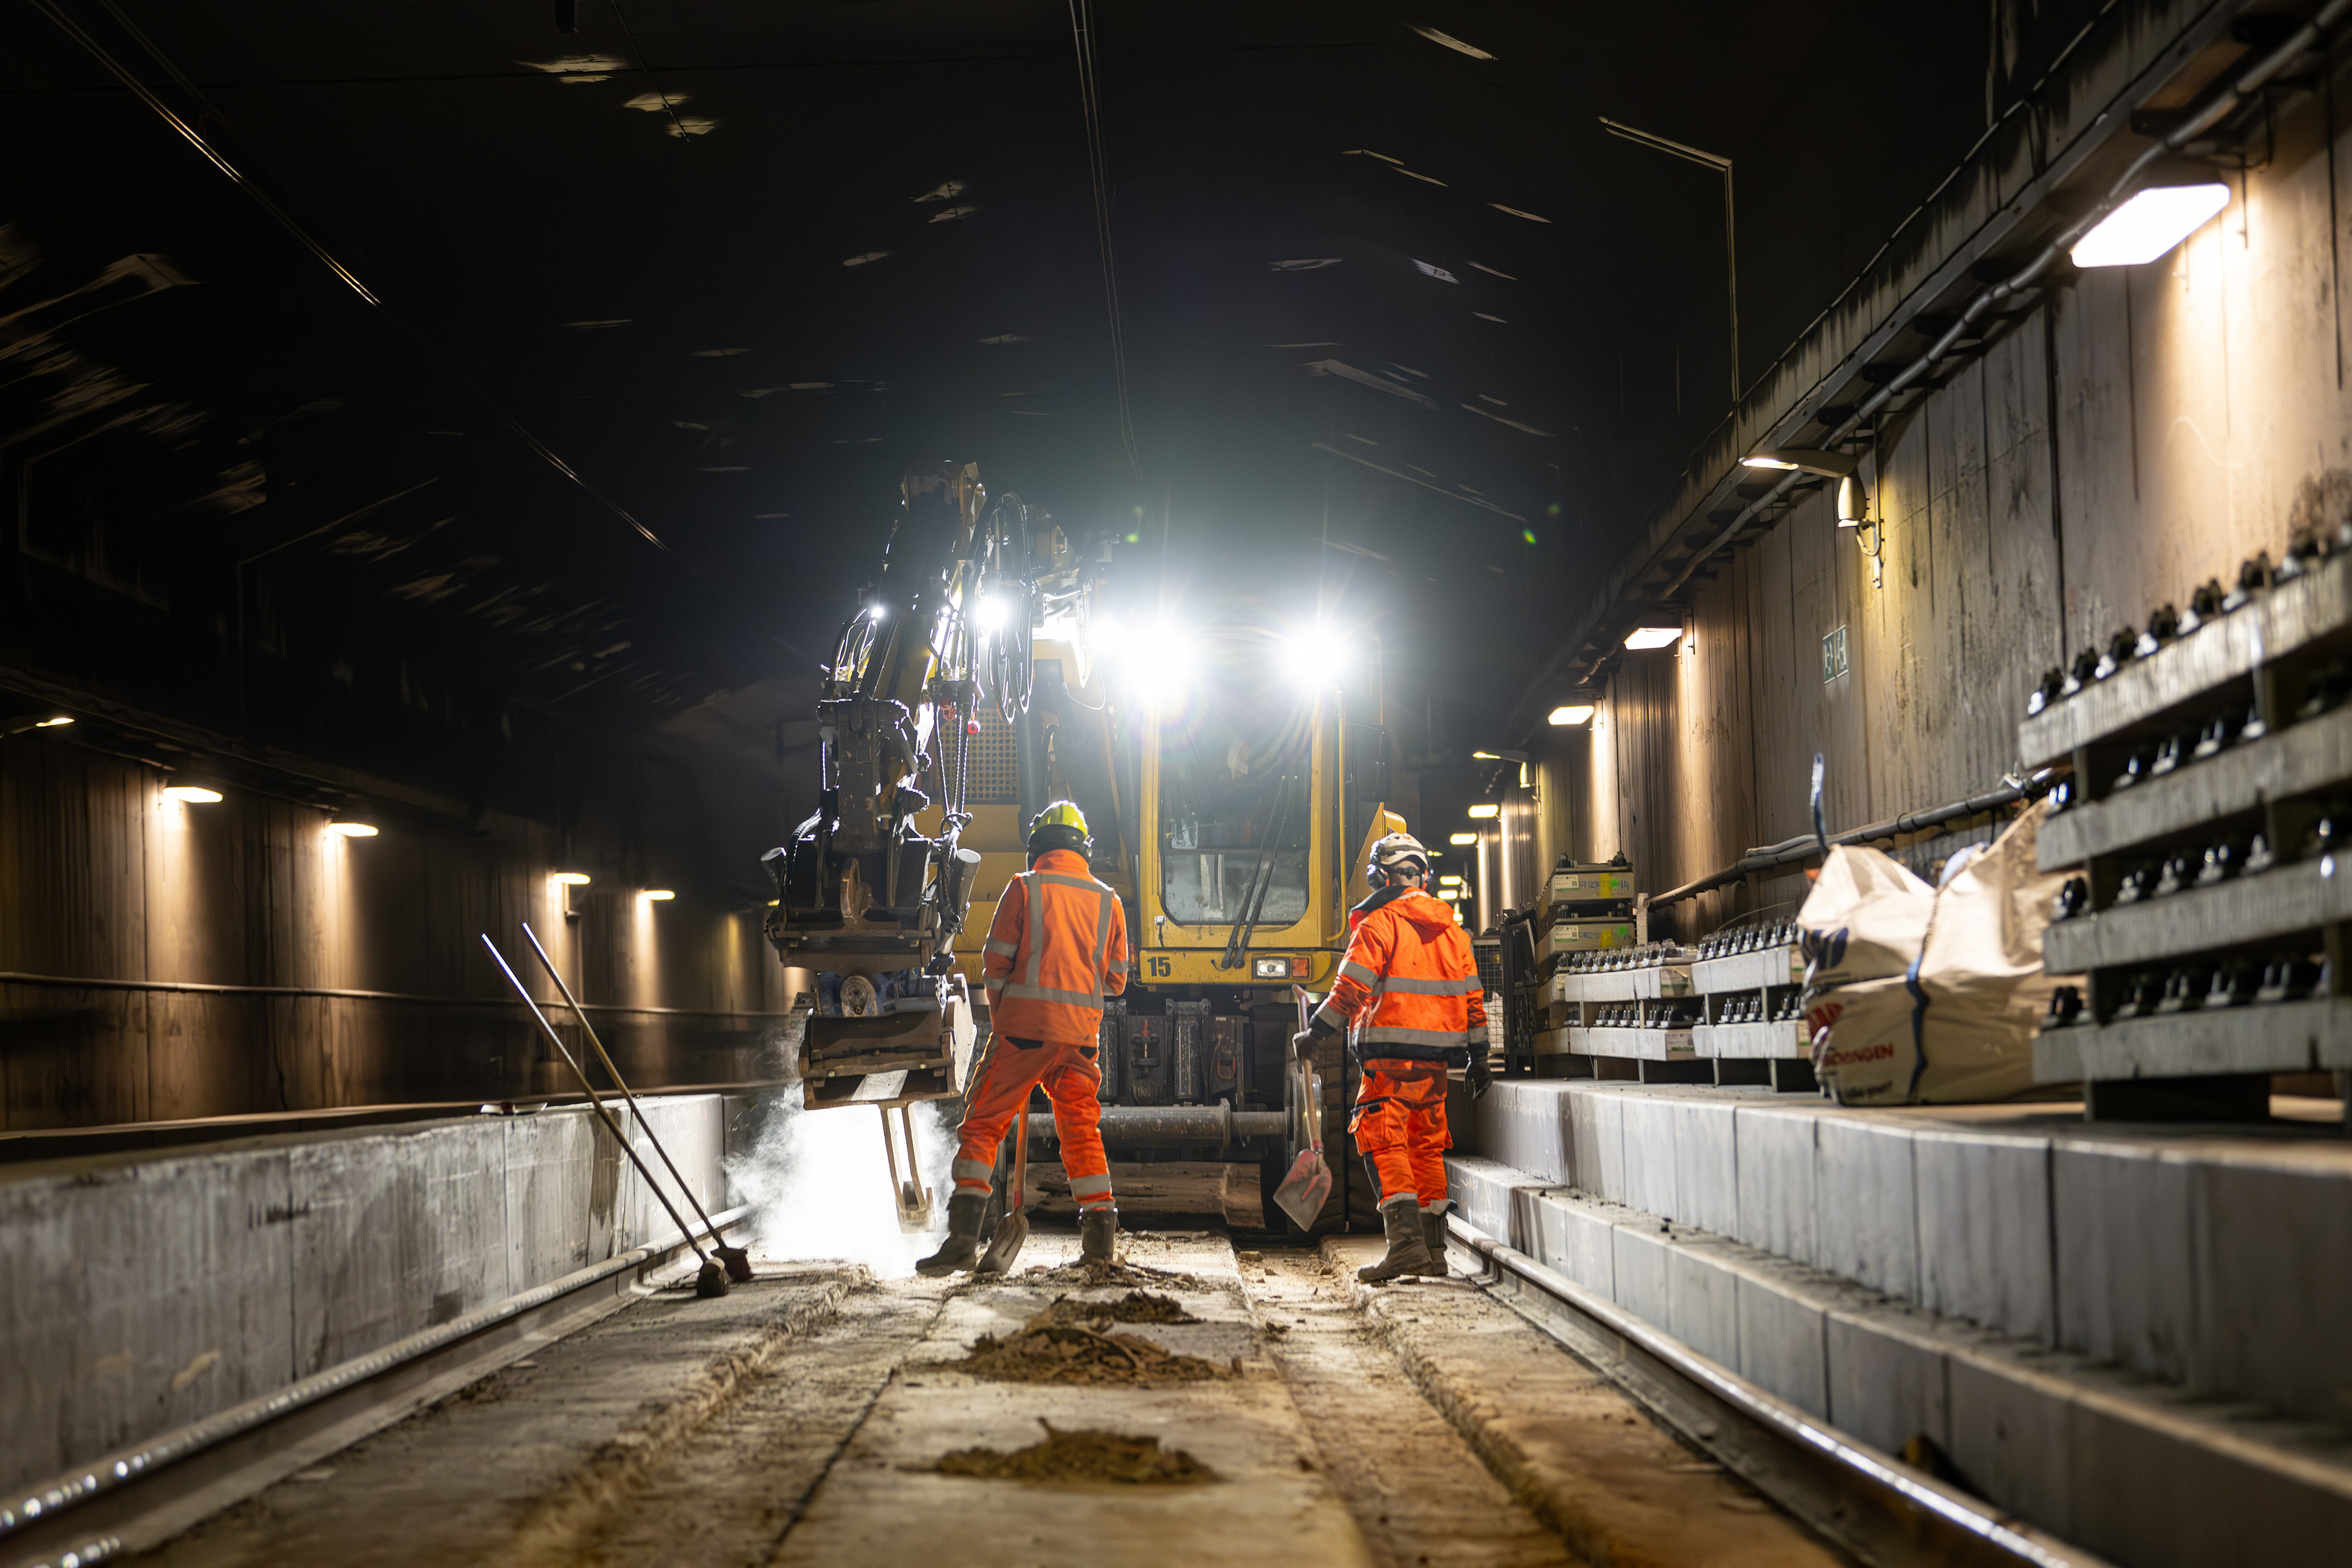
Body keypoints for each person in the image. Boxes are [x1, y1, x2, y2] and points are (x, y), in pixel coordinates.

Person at [917, 800, 1129, 1274]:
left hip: (1021, 1036)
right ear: (1083, 849)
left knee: (983, 1125)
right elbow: (1115, 981)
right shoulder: (1108, 900)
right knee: (1081, 1131)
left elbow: (995, 965)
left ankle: (962, 1240)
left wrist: (1008, 1019)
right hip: (1080, 1040)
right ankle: (1100, 1245)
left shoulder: (1024, 888)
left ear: (1036, 847)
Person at [1292, 831, 1491, 1282]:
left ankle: (1405, 1246)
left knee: (1382, 1140)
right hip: (1437, 1063)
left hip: (1389, 1061)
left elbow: (1351, 989)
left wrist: (1315, 1034)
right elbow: (1474, 1003)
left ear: (1382, 877)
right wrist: (1479, 1059)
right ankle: (1433, 1250)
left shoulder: (1378, 924)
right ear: (1422, 876)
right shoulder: (1455, 935)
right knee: (1425, 1146)